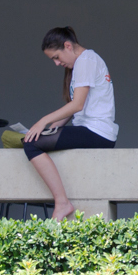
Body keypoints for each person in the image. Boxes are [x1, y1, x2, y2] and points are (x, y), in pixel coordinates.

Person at [23, 26, 118, 220]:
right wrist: (54, 127)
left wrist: (43, 121)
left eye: (56, 57)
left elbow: (77, 105)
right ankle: (61, 202)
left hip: (97, 132)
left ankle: (62, 202)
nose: (57, 63)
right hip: (93, 130)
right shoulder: (85, 62)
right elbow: (76, 107)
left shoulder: (86, 61)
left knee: (31, 143)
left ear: (68, 46)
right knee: (34, 138)